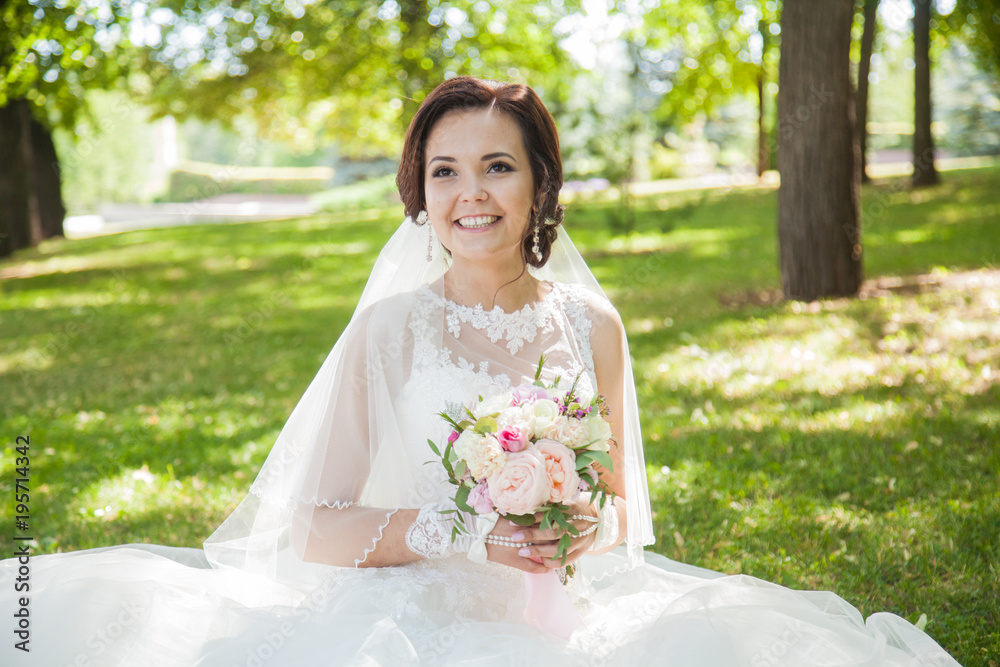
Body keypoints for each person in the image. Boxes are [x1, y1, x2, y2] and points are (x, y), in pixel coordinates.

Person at [1, 77, 958, 666]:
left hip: (566, 607)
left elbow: (622, 508)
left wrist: (583, 518)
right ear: (420, 190)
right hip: (409, 605)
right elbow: (317, 526)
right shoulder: (390, 328)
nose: (471, 194)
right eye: (446, 171)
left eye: (497, 167)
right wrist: (466, 530)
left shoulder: (593, 325)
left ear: (539, 181)